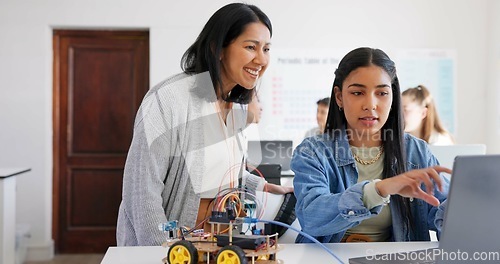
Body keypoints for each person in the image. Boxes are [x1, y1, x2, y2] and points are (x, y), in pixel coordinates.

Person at [117, 3, 292, 247]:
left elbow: (221, 172)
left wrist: (264, 186)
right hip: (174, 249)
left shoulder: (236, 106)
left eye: (266, 48)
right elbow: (141, 192)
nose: (261, 59)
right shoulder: (167, 99)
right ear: (218, 48)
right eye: (251, 47)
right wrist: (161, 253)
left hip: (220, 245)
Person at [291, 47, 451, 244]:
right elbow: (311, 217)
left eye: (382, 93)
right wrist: (378, 190)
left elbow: (444, 215)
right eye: (358, 92)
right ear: (339, 97)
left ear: (393, 98)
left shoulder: (416, 152)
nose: (370, 104)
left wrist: (470, 202)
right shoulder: (313, 151)